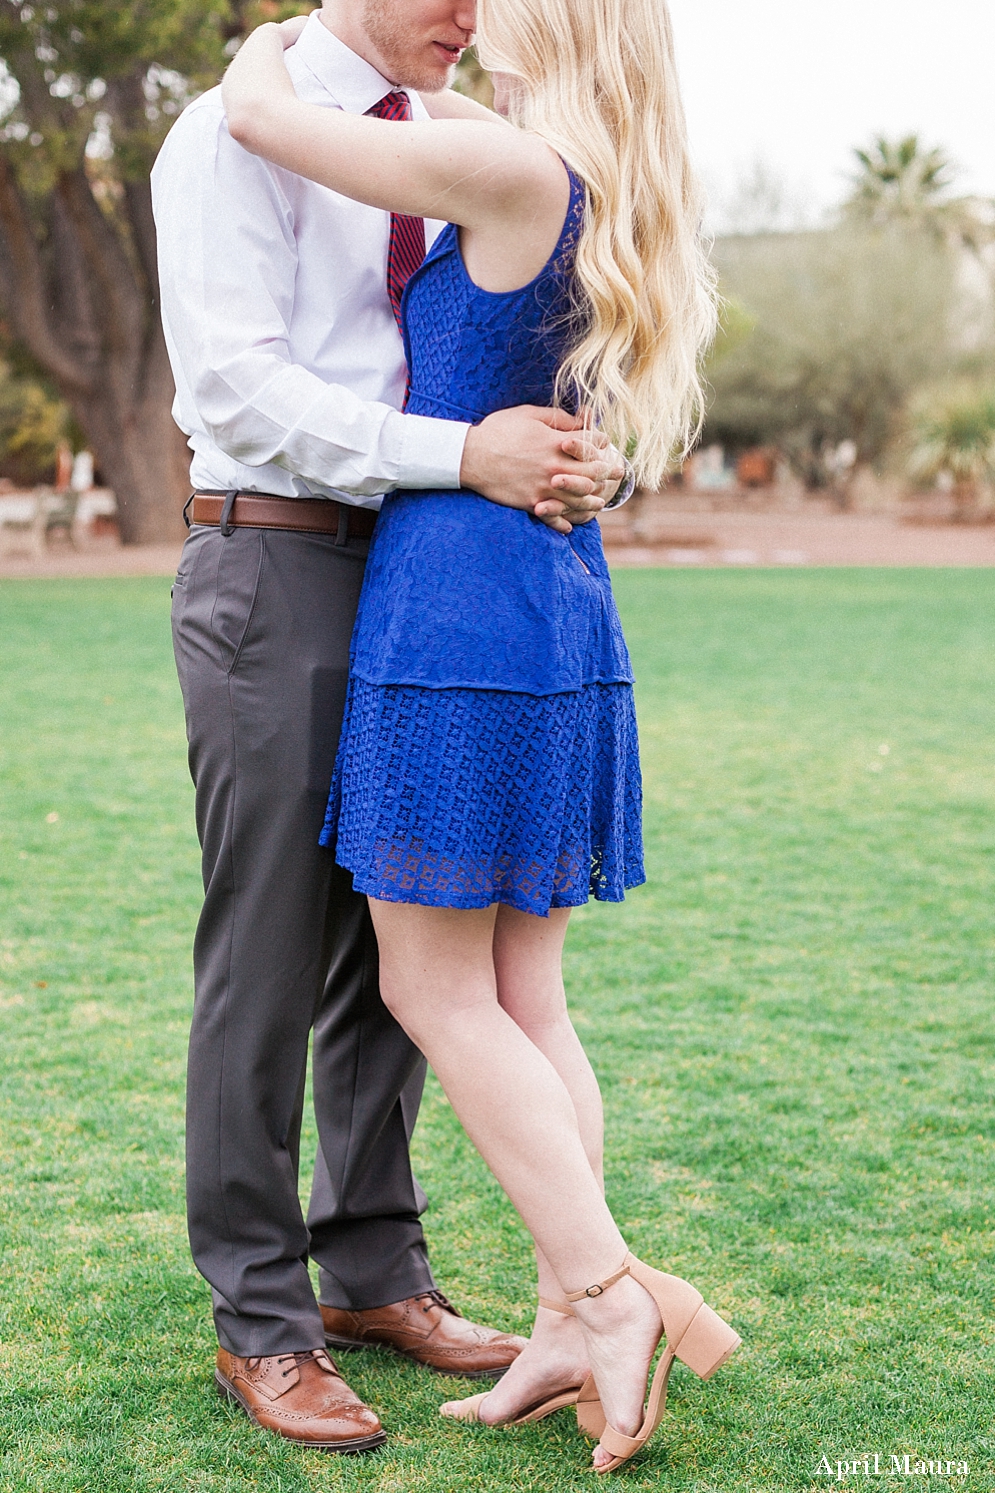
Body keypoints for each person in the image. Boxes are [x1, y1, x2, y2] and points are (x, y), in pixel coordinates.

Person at [222, 0, 740, 1473]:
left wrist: (267, 39)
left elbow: (273, 121)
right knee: (526, 988)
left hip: (457, 613)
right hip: (557, 607)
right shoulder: (591, 182)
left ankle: (601, 1290)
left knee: (434, 987)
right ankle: (583, 1314)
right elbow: (411, 119)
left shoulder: (517, 176)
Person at [152, 0, 627, 1457]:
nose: (470, 15)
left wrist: (555, 449)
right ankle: (261, 1313)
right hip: (282, 559)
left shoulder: (451, 139)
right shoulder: (234, 127)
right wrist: (462, 456)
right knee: (275, 944)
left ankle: (370, 1269)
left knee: (398, 950)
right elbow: (237, 383)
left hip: (427, 574)